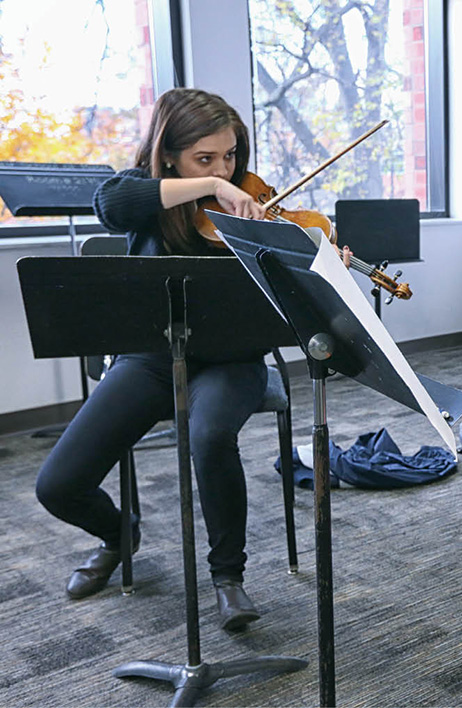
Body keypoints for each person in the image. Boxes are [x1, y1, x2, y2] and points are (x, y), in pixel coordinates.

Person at [34, 87, 348, 631]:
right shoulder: (140, 194)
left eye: (229, 157)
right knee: (57, 484)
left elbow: (297, 306)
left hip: (234, 360)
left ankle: (228, 577)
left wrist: (323, 272)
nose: (225, 169)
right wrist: (209, 186)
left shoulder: (253, 208)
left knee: (208, 435)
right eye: (205, 159)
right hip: (153, 356)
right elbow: (110, 205)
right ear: (169, 155)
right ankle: (119, 533)